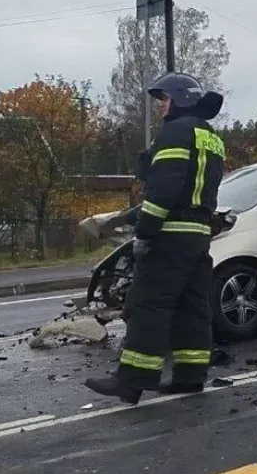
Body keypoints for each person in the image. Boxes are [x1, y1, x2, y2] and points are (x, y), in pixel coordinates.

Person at [85, 72, 227, 404]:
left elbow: (164, 190)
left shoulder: (175, 132)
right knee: (192, 306)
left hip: (170, 235)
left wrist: (145, 232)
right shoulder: (211, 137)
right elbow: (191, 190)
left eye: (164, 98)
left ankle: (131, 380)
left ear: (180, 99)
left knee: (149, 305)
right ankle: (190, 377)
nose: (161, 105)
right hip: (198, 235)